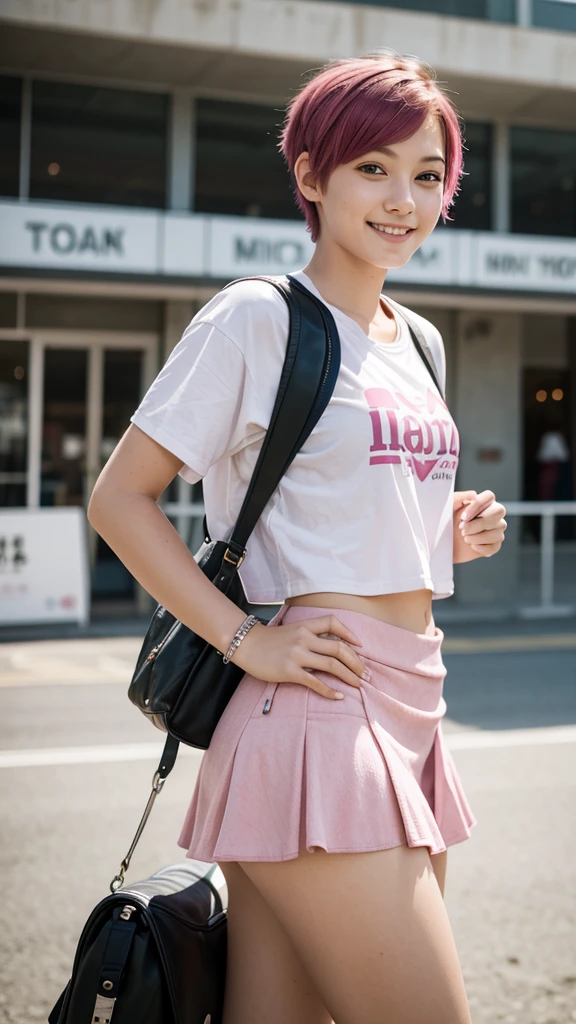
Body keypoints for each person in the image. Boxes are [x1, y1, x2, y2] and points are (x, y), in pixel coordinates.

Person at [88, 52, 507, 1024]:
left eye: (428, 174)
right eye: (372, 167)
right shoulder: (258, 320)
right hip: (318, 708)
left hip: (414, 699)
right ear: (312, 175)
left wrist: (450, 531)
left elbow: (347, 509)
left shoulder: (420, 341)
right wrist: (248, 639)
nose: (404, 198)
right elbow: (122, 499)